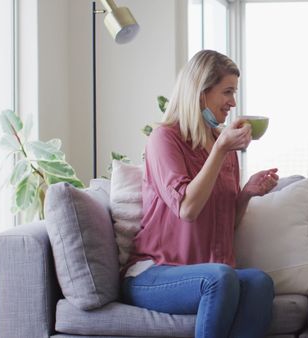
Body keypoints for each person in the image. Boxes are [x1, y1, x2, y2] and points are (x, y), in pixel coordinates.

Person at [121, 50, 280, 338]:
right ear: (200, 93)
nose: (233, 102)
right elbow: (188, 210)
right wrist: (220, 150)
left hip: (205, 273)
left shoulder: (223, 146)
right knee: (219, 278)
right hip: (155, 273)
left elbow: (224, 225)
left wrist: (245, 195)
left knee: (259, 282)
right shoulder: (165, 140)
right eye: (227, 92)